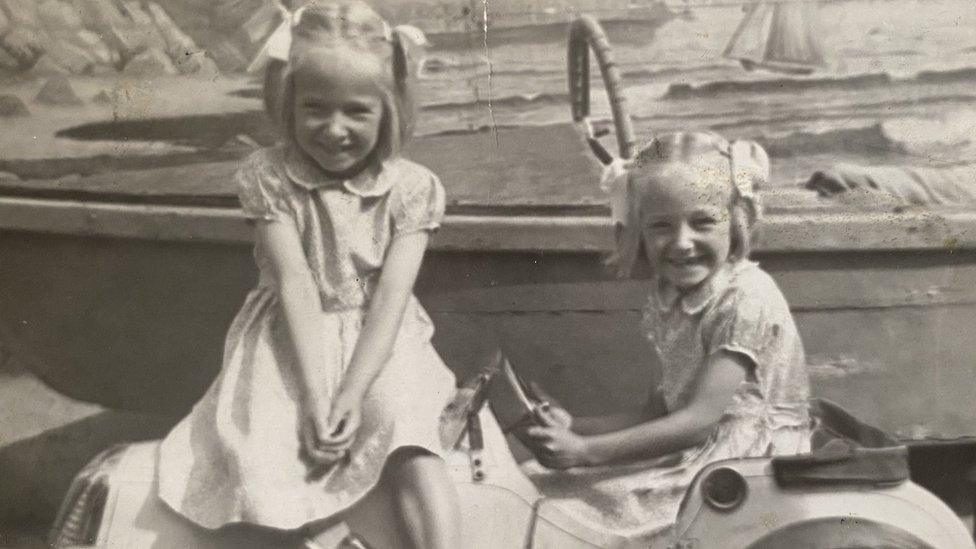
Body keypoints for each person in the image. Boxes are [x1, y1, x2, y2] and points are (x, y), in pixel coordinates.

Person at [157, 2, 461, 547]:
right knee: (264, 449)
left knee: (408, 434)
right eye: (315, 108)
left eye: (357, 112)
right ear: (287, 102)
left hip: (382, 337)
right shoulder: (269, 177)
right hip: (293, 335)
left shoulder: (413, 188)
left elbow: (392, 295)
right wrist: (320, 396)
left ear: (389, 111)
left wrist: (355, 390)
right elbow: (295, 281)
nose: (334, 129)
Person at [519, 131, 813, 543]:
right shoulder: (671, 294)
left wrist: (585, 452)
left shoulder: (746, 298)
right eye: (660, 226)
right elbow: (663, 408)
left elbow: (697, 421)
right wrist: (579, 427)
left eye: (703, 222)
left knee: (577, 515)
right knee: (535, 483)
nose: (681, 243)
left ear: (737, 220)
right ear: (639, 229)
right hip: (700, 449)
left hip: (744, 467)